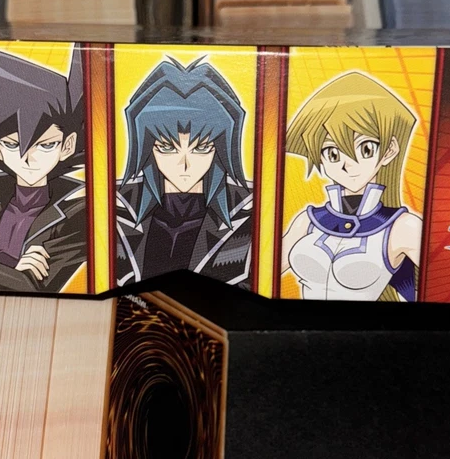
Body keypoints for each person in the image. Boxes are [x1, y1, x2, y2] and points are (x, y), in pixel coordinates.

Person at [0, 47, 86, 292]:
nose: (28, 158)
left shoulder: (76, 215)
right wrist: (5, 272)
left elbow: (31, 287)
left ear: (67, 146)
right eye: (12, 144)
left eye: (46, 145)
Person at [282, 70, 421, 301]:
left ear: (389, 151)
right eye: (332, 153)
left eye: (365, 148)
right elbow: (260, 272)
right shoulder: (307, 221)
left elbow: (446, 282)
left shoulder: (403, 226)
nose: (347, 165)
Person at [116, 56, 252, 287]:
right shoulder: (118, 208)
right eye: (168, 148)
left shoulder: (246, 214)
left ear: (221, 148)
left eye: (201, 147)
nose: (185, 164)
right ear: (147, 146)